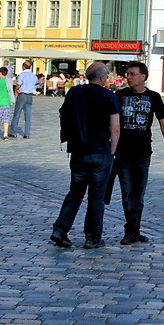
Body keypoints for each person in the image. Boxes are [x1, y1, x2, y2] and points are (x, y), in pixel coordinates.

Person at [51, 62, 122, 249]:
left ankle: (60, 229)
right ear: (101, 78)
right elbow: (115, 127)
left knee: (75, 192)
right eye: (106, 75)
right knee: (96, 197)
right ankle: (92, 237)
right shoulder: (109, 96)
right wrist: (112, 151)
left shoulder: (74, 93)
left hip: (78, 150)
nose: (107, 78)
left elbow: (64, 115)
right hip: (100, 151)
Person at [110, 62, 164, 245]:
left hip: (143, 153)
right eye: (127, 74)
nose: (128, 77)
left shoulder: (153, 97)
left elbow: (163, 124)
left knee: (138, 194)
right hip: (122, 153)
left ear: (143, 77)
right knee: (127, 193)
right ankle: (130, 230)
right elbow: (110, 122)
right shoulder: (120, 95)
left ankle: (134, 230)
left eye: (132, 74)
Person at [12, 61, 38, 138]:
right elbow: (36, 84)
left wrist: (16, 89)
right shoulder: (34, 75)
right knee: (28, 116)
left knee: (17, 113)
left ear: (23, 67)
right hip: (30, 96)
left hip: (22, 95)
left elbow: (19, 84)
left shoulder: (22, 75)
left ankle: (13, 132)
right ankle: (27, 133)